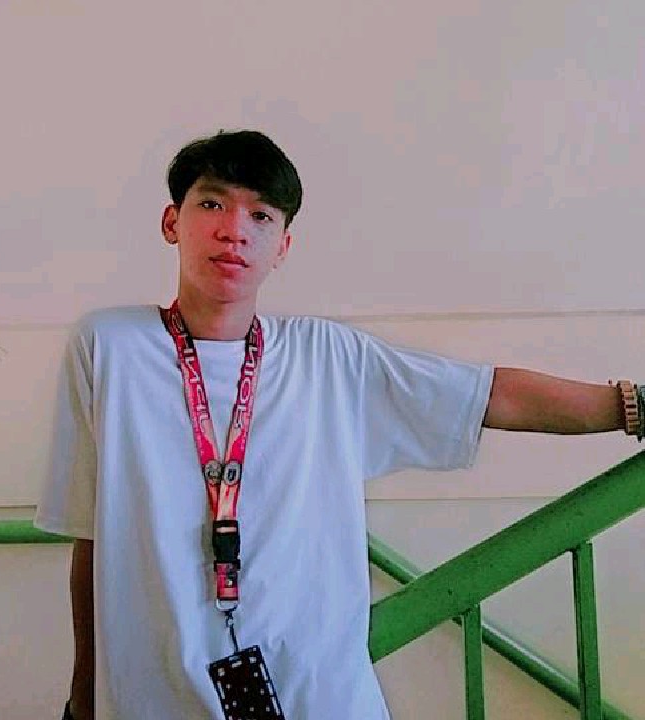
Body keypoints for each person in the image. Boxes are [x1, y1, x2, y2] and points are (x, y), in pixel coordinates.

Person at [34, 129, 644, 720]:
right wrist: (85, 695)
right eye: (212, 204)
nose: (234, 230)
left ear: (283, 246)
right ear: (172, 222)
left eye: (261, 216)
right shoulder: (108, 347)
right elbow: (91, 536)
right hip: (158, 698)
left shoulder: (326, 357)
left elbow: (490, 397)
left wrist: (632, 405)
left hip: (318, 695)